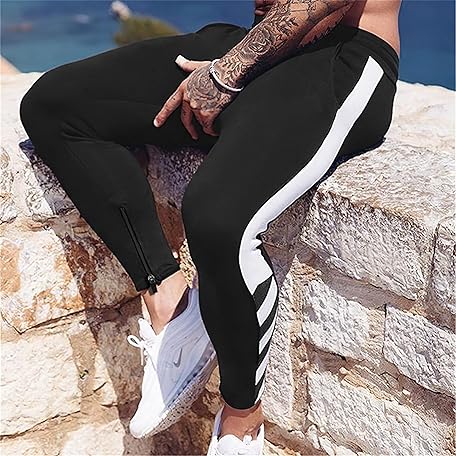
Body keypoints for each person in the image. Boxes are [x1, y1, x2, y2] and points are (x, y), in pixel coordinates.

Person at [19, 0, 401, 454]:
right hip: (257, 46)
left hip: (340, 59)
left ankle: (242, 421)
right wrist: (236, 62)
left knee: (218, 219)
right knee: (55, 106)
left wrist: (226, 74)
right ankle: (170, 301)